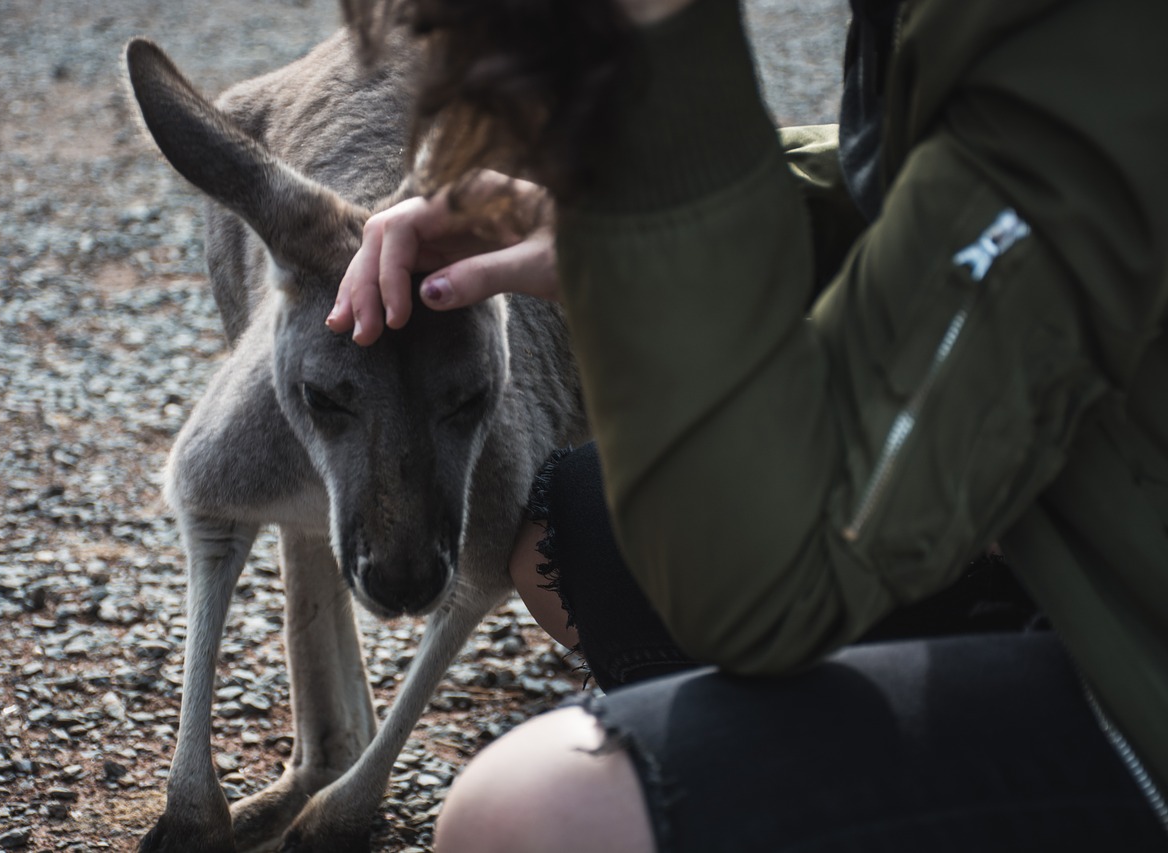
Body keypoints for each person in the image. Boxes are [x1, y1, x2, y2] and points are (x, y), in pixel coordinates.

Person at [332, 0, 1168, 849]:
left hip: (1140, 648)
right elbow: (954, 173)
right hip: (1092, 507)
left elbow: (770, 588)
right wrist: (585, 220)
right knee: (571, 538)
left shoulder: (1089, 35)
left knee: (534, 815)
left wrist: (661, 91)